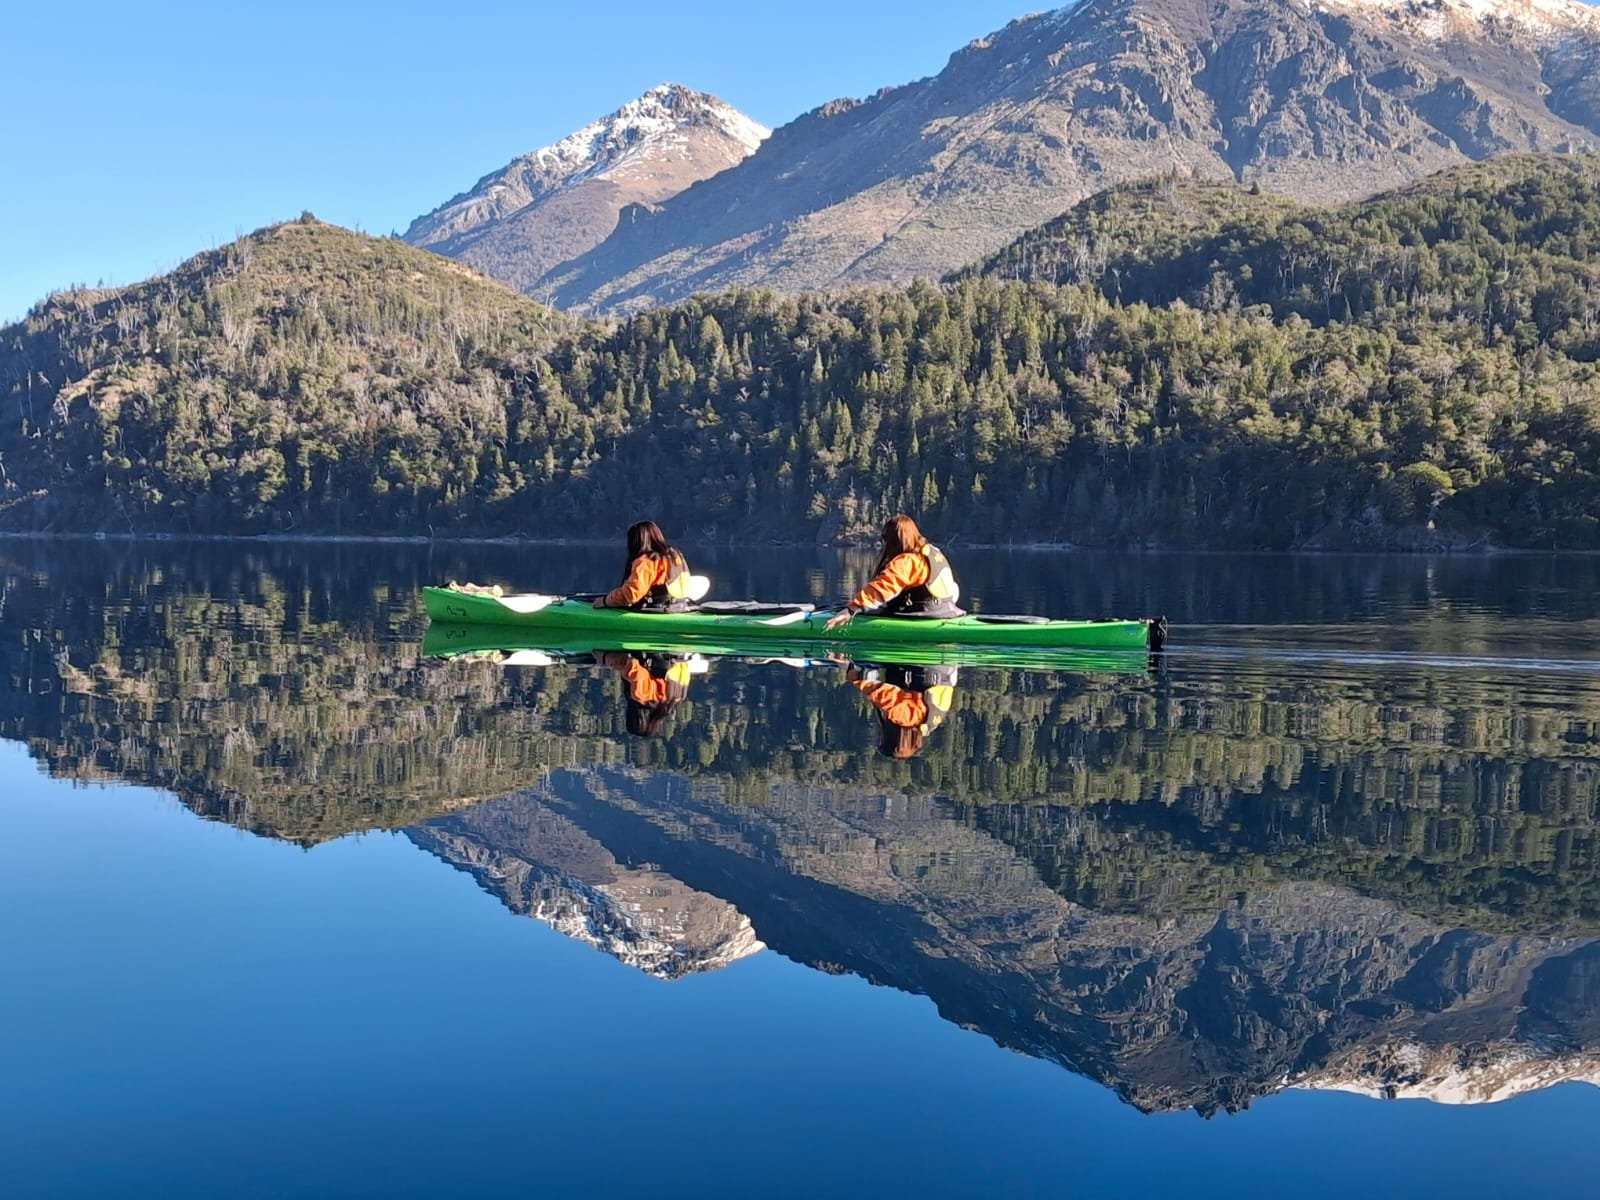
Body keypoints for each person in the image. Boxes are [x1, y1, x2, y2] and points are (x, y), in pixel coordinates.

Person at [823, 515, 961, 630]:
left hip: (925, 614)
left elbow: (884, 587)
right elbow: (953, 588)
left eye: (886, 539)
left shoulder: (908, 561)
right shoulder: (932, 552)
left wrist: (851, 609)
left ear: (895, 539)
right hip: (949, 610)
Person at [841, 660, 959, 759]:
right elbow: (875, 689)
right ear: (890, 736)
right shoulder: (904, 717)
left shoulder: (929, 722)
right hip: (922, 662)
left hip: (948, 666)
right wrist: (849, 671)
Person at [594, 520, 696, 611]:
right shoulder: (675, 555)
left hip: (655, 608)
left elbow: (631, 594)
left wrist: (605, 601)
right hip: (679, 605)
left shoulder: (646, 561)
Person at [594, 651, 693, 738]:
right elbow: (632, 667)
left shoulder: (677, 698)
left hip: (681, 654)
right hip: (657, 649)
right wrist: (605, 658)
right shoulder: (642, 696)